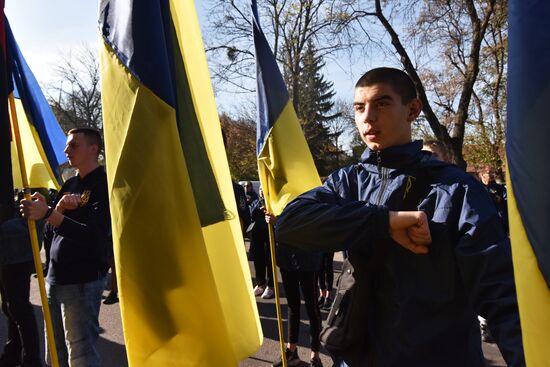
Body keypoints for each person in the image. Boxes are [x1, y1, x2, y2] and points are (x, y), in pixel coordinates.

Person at [275, 68, 524, 366]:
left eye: (381, 103)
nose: (367, 117)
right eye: (359, 107)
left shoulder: (457, 190)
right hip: (357, 356)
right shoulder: (348, 181)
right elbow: (291, 223)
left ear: (413, 109)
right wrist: (384, 222)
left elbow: (502, 297)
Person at [20, 128, 111, 367]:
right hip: (55, 278)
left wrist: (50, 213)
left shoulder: (103, 185)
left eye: (73, 145)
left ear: (94, 149)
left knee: (80, 354)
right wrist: (56, 210)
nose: (66, 150)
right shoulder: (70, 183)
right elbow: (51, 232)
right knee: (56, 353)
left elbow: (95, 236)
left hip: (82, 281)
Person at [266, 213, 323, 367]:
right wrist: (272, 219)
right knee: (292, 305)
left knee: (312, 307)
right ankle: (291, 351)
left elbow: (314, 218)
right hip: (287, 255)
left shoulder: (311, 191)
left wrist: (280, 221)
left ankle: (315, 356)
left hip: (307, 254)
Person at [0, 197, 44, 367]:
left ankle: (32, 359)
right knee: (10, 306)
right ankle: (13, 351)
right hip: (9, 246)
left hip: (16, 247)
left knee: (18, 307)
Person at [249, 188, 274, 299]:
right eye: (260, 189)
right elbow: (250, 213)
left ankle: (270, 286)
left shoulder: (273, 203)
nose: (261, 191)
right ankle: (260, 284)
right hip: (257, 235)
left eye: (263, 189)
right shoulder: (256, 201)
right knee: (258, 260)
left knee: (270, 261)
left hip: (268, 235)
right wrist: (259, 204)